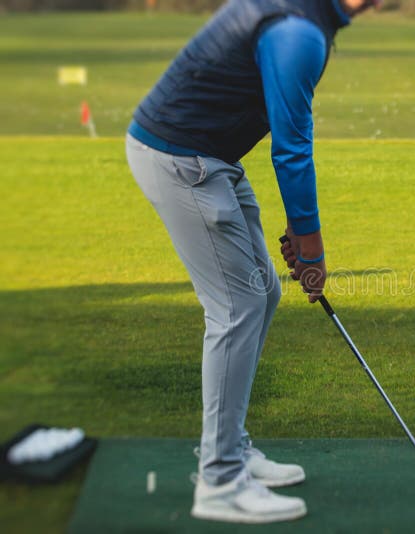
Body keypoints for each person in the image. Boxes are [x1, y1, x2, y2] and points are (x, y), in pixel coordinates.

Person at [126, 0, 382, 524]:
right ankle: (219, 481)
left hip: (210, 156)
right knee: (236, 307)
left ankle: (231, 448)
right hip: (182, 158)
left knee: (263, 291)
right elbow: (291, 148)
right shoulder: (299, 32)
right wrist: (311, 249)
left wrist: (298, 229)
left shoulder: (307, 19)